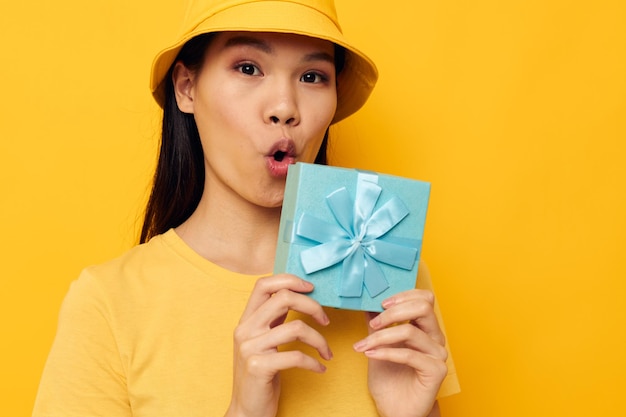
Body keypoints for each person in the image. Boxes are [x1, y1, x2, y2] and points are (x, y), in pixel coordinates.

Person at [33, 0, 460, 416]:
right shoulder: (108, 303)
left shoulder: (386, 273)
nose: (285, 109)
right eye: (248, 68)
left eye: (312, 76)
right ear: (186, 88)